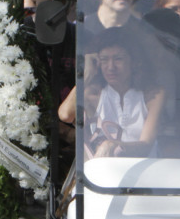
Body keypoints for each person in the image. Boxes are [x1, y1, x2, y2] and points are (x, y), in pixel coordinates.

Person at [58, 27, 166, 159]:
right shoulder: (93, 93)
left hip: (144, 171)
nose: (111, 67)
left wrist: (113, 145)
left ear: (134, 62)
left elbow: (146, 145)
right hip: (106, 175)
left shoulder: (153, 94)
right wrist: (85, 77)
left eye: (118, 59)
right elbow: (65, 115)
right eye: (104, 59)